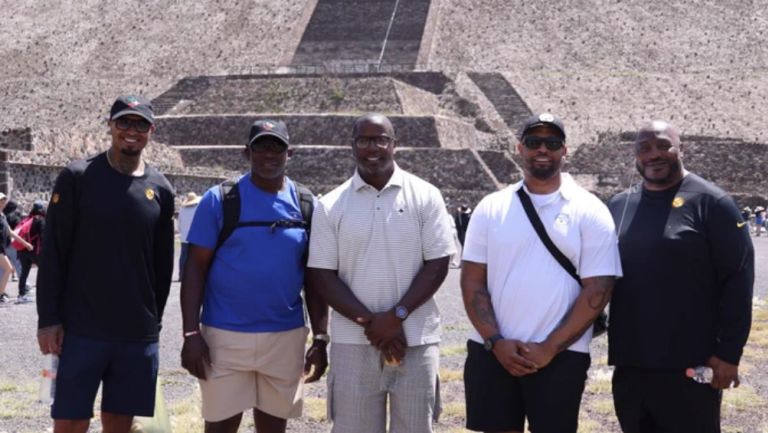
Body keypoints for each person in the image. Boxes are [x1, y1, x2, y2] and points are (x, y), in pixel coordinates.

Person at [461, 113, 622, 433]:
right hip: (493, 351)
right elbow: (472, 279)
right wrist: (496, 341)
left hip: (561, 355)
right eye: (534, 142)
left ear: (565, 150)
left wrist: (550, 347)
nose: (542, 149)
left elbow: (599, 288)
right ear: (520, 148)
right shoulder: (491, 207)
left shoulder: (590, 209)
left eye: (552, 142)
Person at [306, 113, 455, 433]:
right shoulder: (331, 205)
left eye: (381, 139)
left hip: (416, 340)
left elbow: (438, 264)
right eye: (364, 140)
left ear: (394, 145)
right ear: (352, 146)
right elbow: (322, 276)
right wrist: (371, 323)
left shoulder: (426, 195)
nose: (372, 147)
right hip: (353, 344)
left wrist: (396, 316)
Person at [36, 95, 175, 433]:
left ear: (151, 131)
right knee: (69, 420)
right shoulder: (78, 177)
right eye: (124, 122)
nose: (132, 130)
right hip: (81, 327)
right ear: (110, 126)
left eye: (140, 123)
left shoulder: (160, 188)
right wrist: (49, 318)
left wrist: (152, 324)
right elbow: (53, 252)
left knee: (119, 421)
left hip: (134, 331)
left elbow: (163, 266)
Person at [180, 119, 329, 433]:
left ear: (290, 153)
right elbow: (194, 269)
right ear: (246, 153)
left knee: (274, 428)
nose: (269, 154)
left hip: (285, 337)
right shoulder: (219, 200)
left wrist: (320, 338)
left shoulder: (305, 204)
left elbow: (314, 278)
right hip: (225, 336)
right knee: (220, 426)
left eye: (277, 147)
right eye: (261, 146)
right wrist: (191, 335)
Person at [607, 120, 754, 433]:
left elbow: (738, 279)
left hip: (690, 366)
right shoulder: (619, 205)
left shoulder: (712, 203)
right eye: (644, 148)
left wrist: (729, 354)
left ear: (680, 149)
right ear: (635, 154)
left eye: (663, 145)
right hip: (631, 366)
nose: (654, 154)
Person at [0, 193, 33, 303]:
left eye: (4, 201)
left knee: (7, 269)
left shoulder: (3, 216)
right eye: (1, 201)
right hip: (2, 248)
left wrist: (25, 243)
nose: (3, 203)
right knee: (9, 268)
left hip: (3, 248)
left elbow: (11, 233)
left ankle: (1, 294)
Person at [15, 200, 46, 304]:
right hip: (34, 250)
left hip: (22, 250)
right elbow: (42, 237)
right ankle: (43, 294)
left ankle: (21, 294)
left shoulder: (27, 219)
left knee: (24, 273)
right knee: (44, 271)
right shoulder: (40, 220)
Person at [177, 192, 200, 280]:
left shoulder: (182, 210)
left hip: (184, 237)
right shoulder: (197, 209)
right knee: (194, 257)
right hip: (194, 237)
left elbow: (179, 224)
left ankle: (181, 275)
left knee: (183, 257)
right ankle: (193, 275)